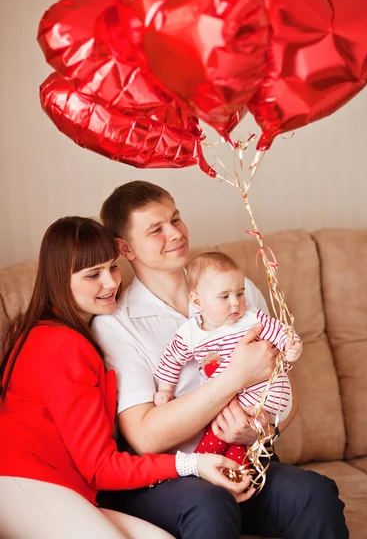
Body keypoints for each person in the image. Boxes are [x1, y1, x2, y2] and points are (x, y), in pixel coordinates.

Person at [93, 181, 349, 539]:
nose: (176, 233)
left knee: (314, 494)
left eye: (176, 219)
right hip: (170, 475)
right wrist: (235, 376)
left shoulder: (236, 292)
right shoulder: (117, 323)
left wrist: (260, 427)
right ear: (125, 248)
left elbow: (281, 391)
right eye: (156, 229)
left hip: (241, 459)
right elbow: (145, 437)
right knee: (210, 504)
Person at [0, 216, 255, 539]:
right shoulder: (59, 344)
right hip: (23, 482)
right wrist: (194, 463)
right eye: (93, 274)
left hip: (64, 488)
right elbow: (100, 466)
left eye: (113, 267)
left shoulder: (69, 336)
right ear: (59, 279)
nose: (111, 283)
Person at [154, 251, 303, 464]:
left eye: (240, 294)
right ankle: (231, 470)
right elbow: (171, 360)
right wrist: (165, 390)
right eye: (225, 296)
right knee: (226, 422)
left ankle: (209, 463)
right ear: (197, 301)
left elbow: (280, 332)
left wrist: (292, 346)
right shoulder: (191, 333)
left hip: (267, 392)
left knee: (222, 426)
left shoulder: (251, 318)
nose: (236, 303)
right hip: (236, 399)